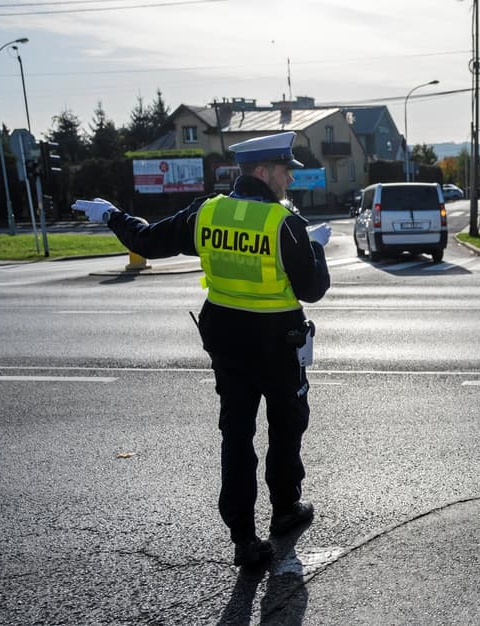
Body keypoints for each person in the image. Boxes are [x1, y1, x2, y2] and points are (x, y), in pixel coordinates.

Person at [71, 131, 332, 567]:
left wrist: (112, 215)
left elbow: (148, 240)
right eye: (285, 171)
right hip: (278, 346)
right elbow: (312, 289)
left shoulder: (207, 212)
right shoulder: (284, 224)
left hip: (228, 345)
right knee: (286, 428)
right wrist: (316, 248)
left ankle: (244, 539)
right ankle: (285, 509)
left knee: (236, 436)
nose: (290, 179)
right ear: (263, 172)